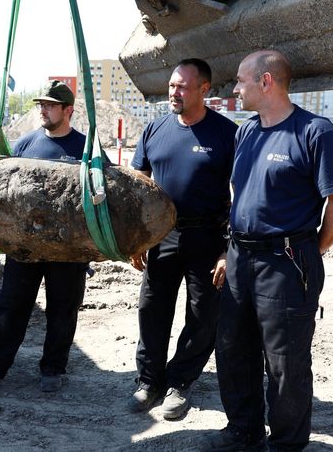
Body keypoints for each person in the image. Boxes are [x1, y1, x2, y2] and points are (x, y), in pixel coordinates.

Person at [203, 50, 333, 451]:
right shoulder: (246, 132)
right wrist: (228, 250)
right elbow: (243, 198)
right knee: (233, 349)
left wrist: (312, 248)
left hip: (287, 262)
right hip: (240, 258)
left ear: (266, 81)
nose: (235, 89)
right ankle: (244, 431)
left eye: (241, 81)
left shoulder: (315, 132)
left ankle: (286, 444)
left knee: (285, 363)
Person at [128, 59, 237, 418]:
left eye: (183, 87)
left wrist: (228, 249)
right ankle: (148, 381)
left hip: (208, 236)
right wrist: (136, 237)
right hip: (161, 235)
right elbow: (137, 184)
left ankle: (180, 381)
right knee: (151, 309)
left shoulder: (227, 134)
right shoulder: (155, 129)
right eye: (172, 86)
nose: (174, 92)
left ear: (205, 90)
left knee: (204, 315)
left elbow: (243, 193)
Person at [0, 80, 87, 398]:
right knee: (9, 307)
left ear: (68, 111)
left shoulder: (86, 147)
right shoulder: (24, 145)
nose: (43, 110)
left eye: (50, 105)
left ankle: (52, 369)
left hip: (68, 249)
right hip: (26, 246)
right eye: (41, 105)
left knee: (63, 309)